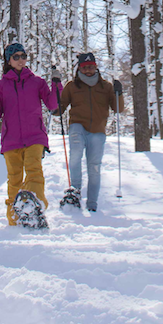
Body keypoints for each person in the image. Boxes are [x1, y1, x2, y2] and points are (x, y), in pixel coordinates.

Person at [0, 42, 63, 226]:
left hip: (34, 136)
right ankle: (14, 219)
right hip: (11, 139)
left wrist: (57, 84)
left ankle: (36, 207)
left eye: (23, 56)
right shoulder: (1, 85)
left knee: (34, 172)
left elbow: (53, 105)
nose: (21, 60)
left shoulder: (37, 82)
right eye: (16, 57)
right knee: (14, 179)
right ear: (9, 61)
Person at [58, 51, 122, 212]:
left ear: (95, 68)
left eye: (91, 67)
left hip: (98, 131)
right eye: (84, 67)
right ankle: (75, 194)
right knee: (75, 156)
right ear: (79, 68)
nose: (88, 70)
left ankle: (92, 204)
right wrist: (55, 100)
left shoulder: (106, 86)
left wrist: (119, 93)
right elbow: (59, 107)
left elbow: (118, 108)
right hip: (77, 126)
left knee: (94, 166)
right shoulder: (72, 86)